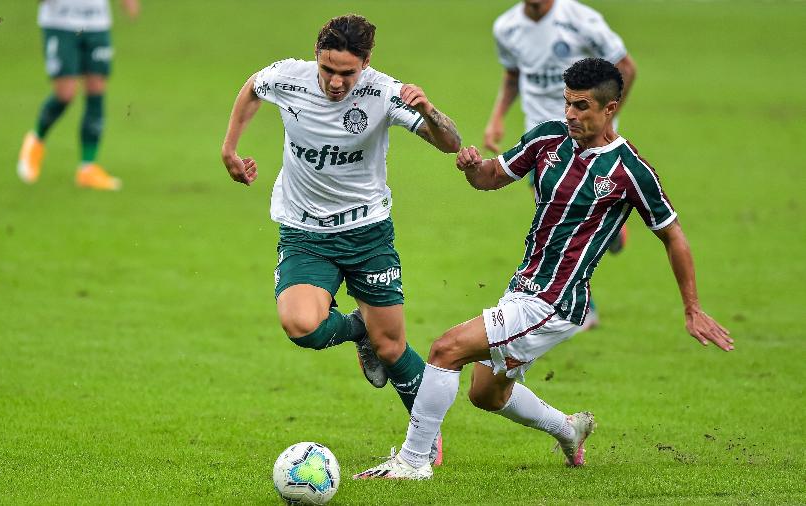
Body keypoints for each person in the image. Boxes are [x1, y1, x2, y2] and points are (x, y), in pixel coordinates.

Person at [354, 58, 733, 480]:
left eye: (583, 106)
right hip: (523, 287)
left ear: (610, 109)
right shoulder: (549, 137)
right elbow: (490, 178)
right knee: (487, 394)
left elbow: (673, 234)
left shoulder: (629, 171)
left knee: (446, 350)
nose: (570, 114)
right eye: (567, 103)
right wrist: (471, 167)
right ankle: (567, 429)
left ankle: (413, 461)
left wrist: (692, 307)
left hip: (555, 302)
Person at [220, 14, 461, 465]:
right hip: (305, 232)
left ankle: (424, 436)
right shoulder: (289, 78)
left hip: (368, 234)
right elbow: (253, 86)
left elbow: (450, 142)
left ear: (366, 63)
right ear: (316, 56)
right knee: (301, 326)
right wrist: (230, 148)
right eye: (327, 69)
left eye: (346, 73)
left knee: (392, 346)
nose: (334, 81)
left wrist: (427, 110)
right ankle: (358, 330)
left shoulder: (385, 92)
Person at [484, 0, 639, 327]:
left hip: (591, 142)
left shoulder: (581, 20)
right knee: (554, 227)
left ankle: (607, 232)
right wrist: (497, 117)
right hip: (544, 143)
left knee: (572, 225)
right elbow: (513, 74)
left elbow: (626, 66)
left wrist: (607, 122)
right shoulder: (507, 27)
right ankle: (583, 306)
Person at [17, 0, 140, 191]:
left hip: (97, 23)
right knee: (65, 94)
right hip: (60, 23)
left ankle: (87, 168)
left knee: (96, 89)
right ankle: (36, 140)